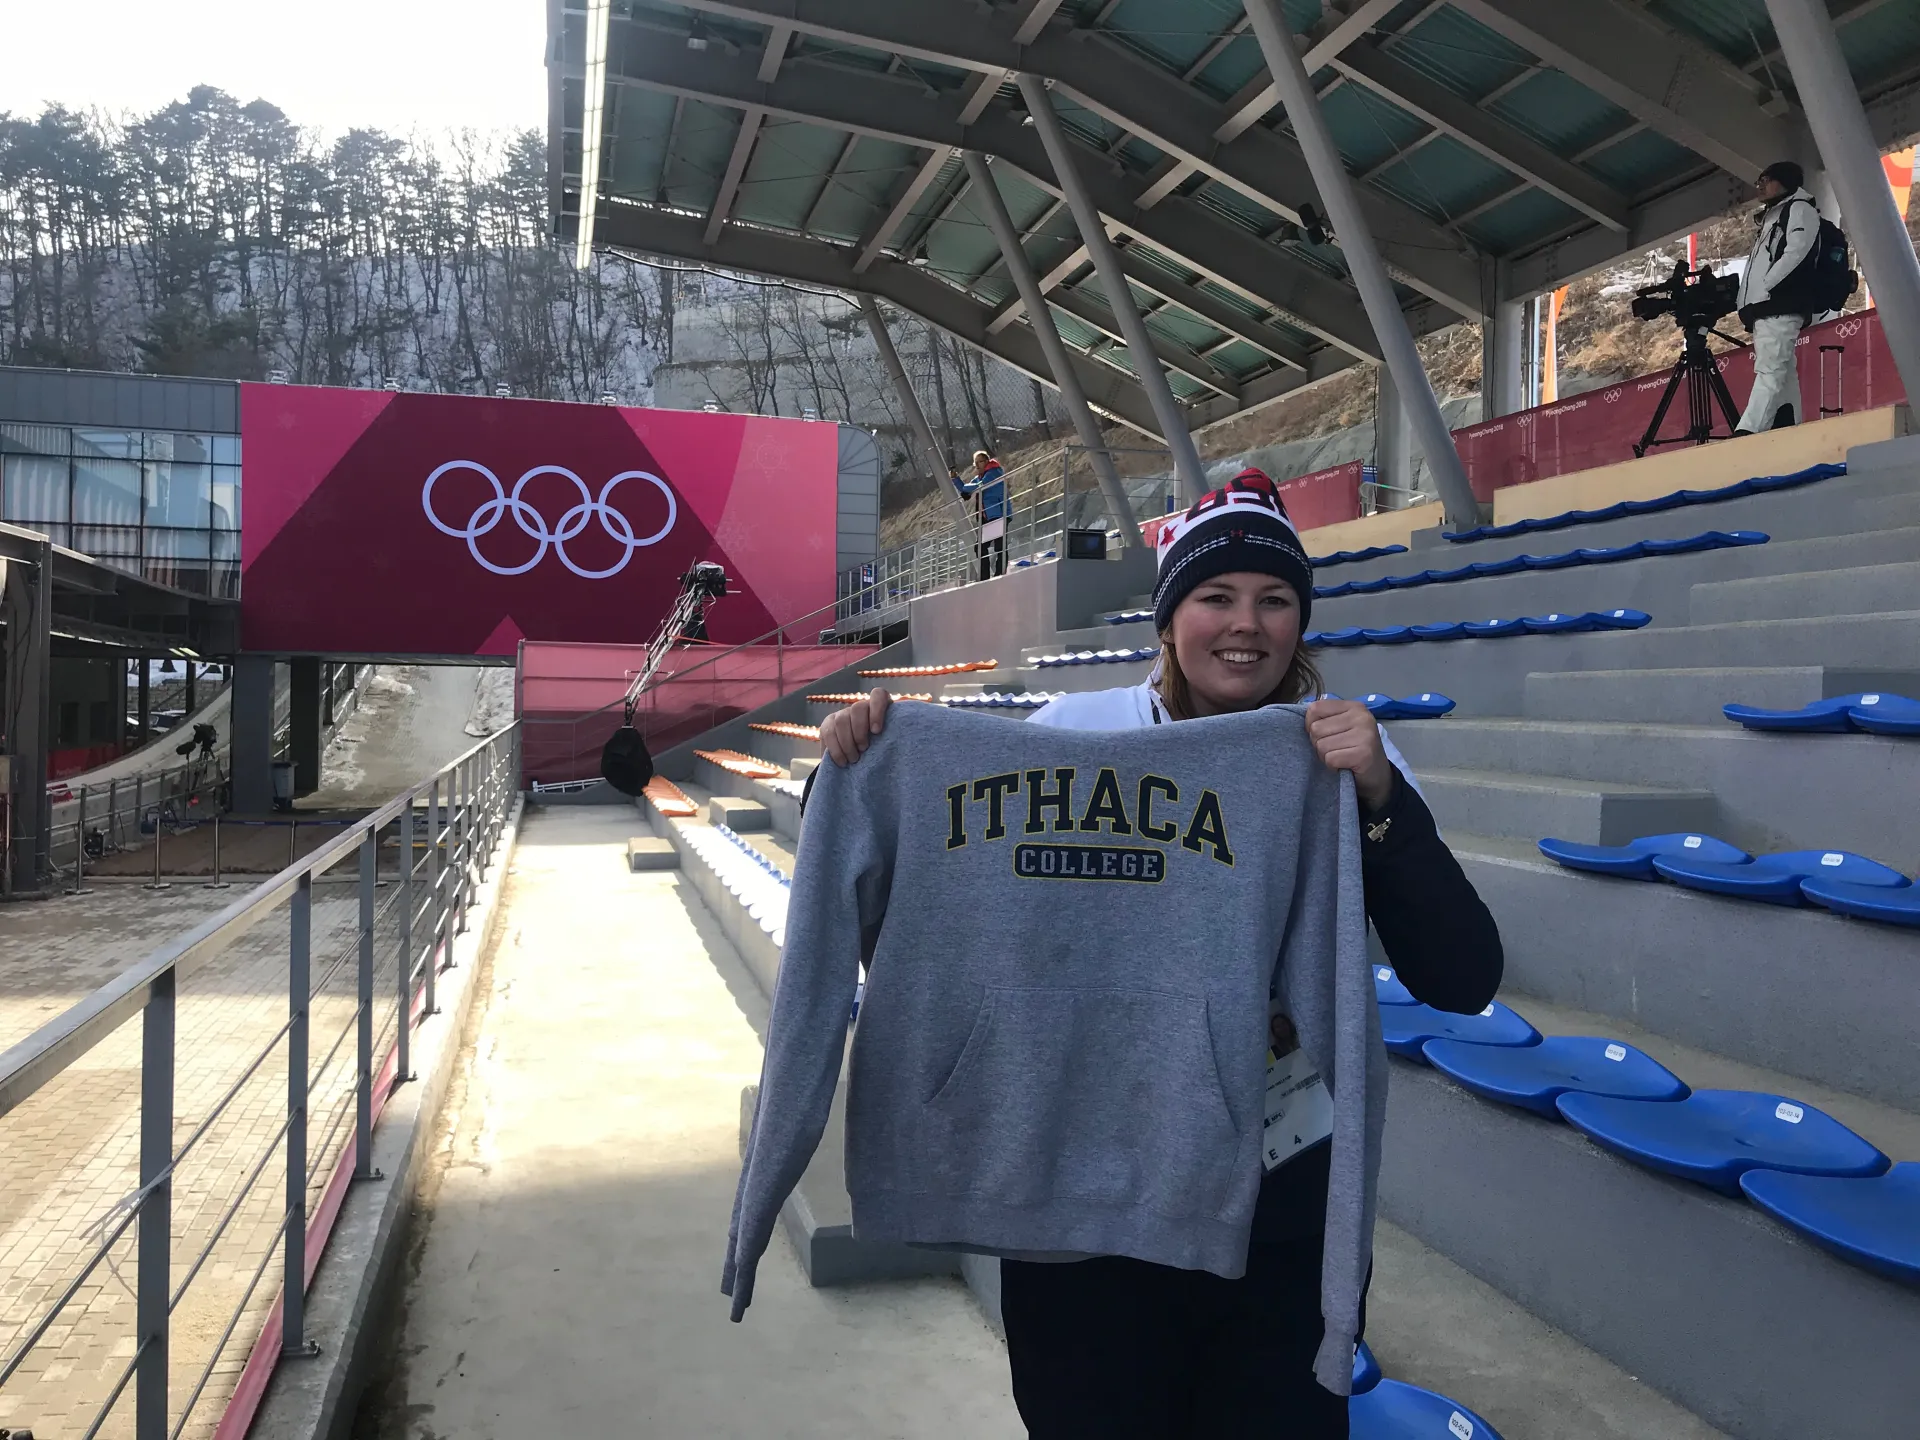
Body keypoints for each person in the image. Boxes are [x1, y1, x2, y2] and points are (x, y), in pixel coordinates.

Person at [817, 469, 1503, 1438]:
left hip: (1278, 1213)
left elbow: (1462, 977)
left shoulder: (1339, 757)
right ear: (1168, 616)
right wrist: (859, 767)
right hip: (1083, 1205)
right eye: (1216, 597)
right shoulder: (1075, 736)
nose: (1246, 624)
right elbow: (938, 884)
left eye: (1275, 601)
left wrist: (1385, 803)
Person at [1734, 160, 1820, 436]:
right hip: (1767, 304)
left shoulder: (1800, 209)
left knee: (1770, 368)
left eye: (1765, 180)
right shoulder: (1773, 215)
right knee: (1783, 369)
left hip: (1779, 303)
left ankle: (1748, 431)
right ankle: (1789, 424)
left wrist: (1767, 285)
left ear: (1784, 181)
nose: (1760, 186)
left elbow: (1796, 252)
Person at [954, 450, 1009, 580]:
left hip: (998, 513)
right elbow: (967, 489)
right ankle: (985, 576)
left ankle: (1000, 573)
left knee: (999, 545)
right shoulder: (980, 477)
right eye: (975, 462)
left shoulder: (994, 472)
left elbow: (980, 486)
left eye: (980, 461)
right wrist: (955, 479)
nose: (977, 465)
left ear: (987, 461)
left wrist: (966, 489)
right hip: (987, 516)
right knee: (980, 547)